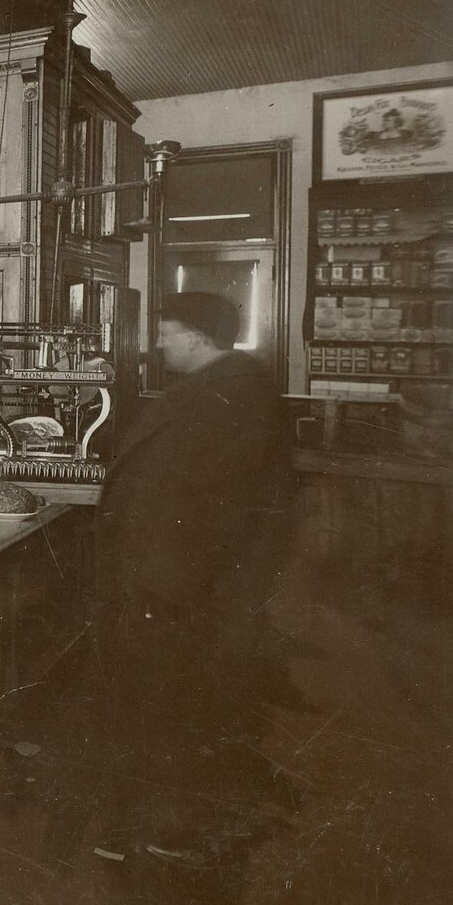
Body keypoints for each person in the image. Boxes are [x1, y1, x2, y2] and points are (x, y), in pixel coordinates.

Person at [89, 290, 297, 863]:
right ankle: (161, 826)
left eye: (167, 331)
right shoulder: (225, 389)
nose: (157, 341)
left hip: (179, 592)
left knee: (173, 712)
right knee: (172, 711)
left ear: (199, 338)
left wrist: (160, 590)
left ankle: (171, 833)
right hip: (178, 587)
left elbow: (216, 513)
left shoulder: (229, 397)